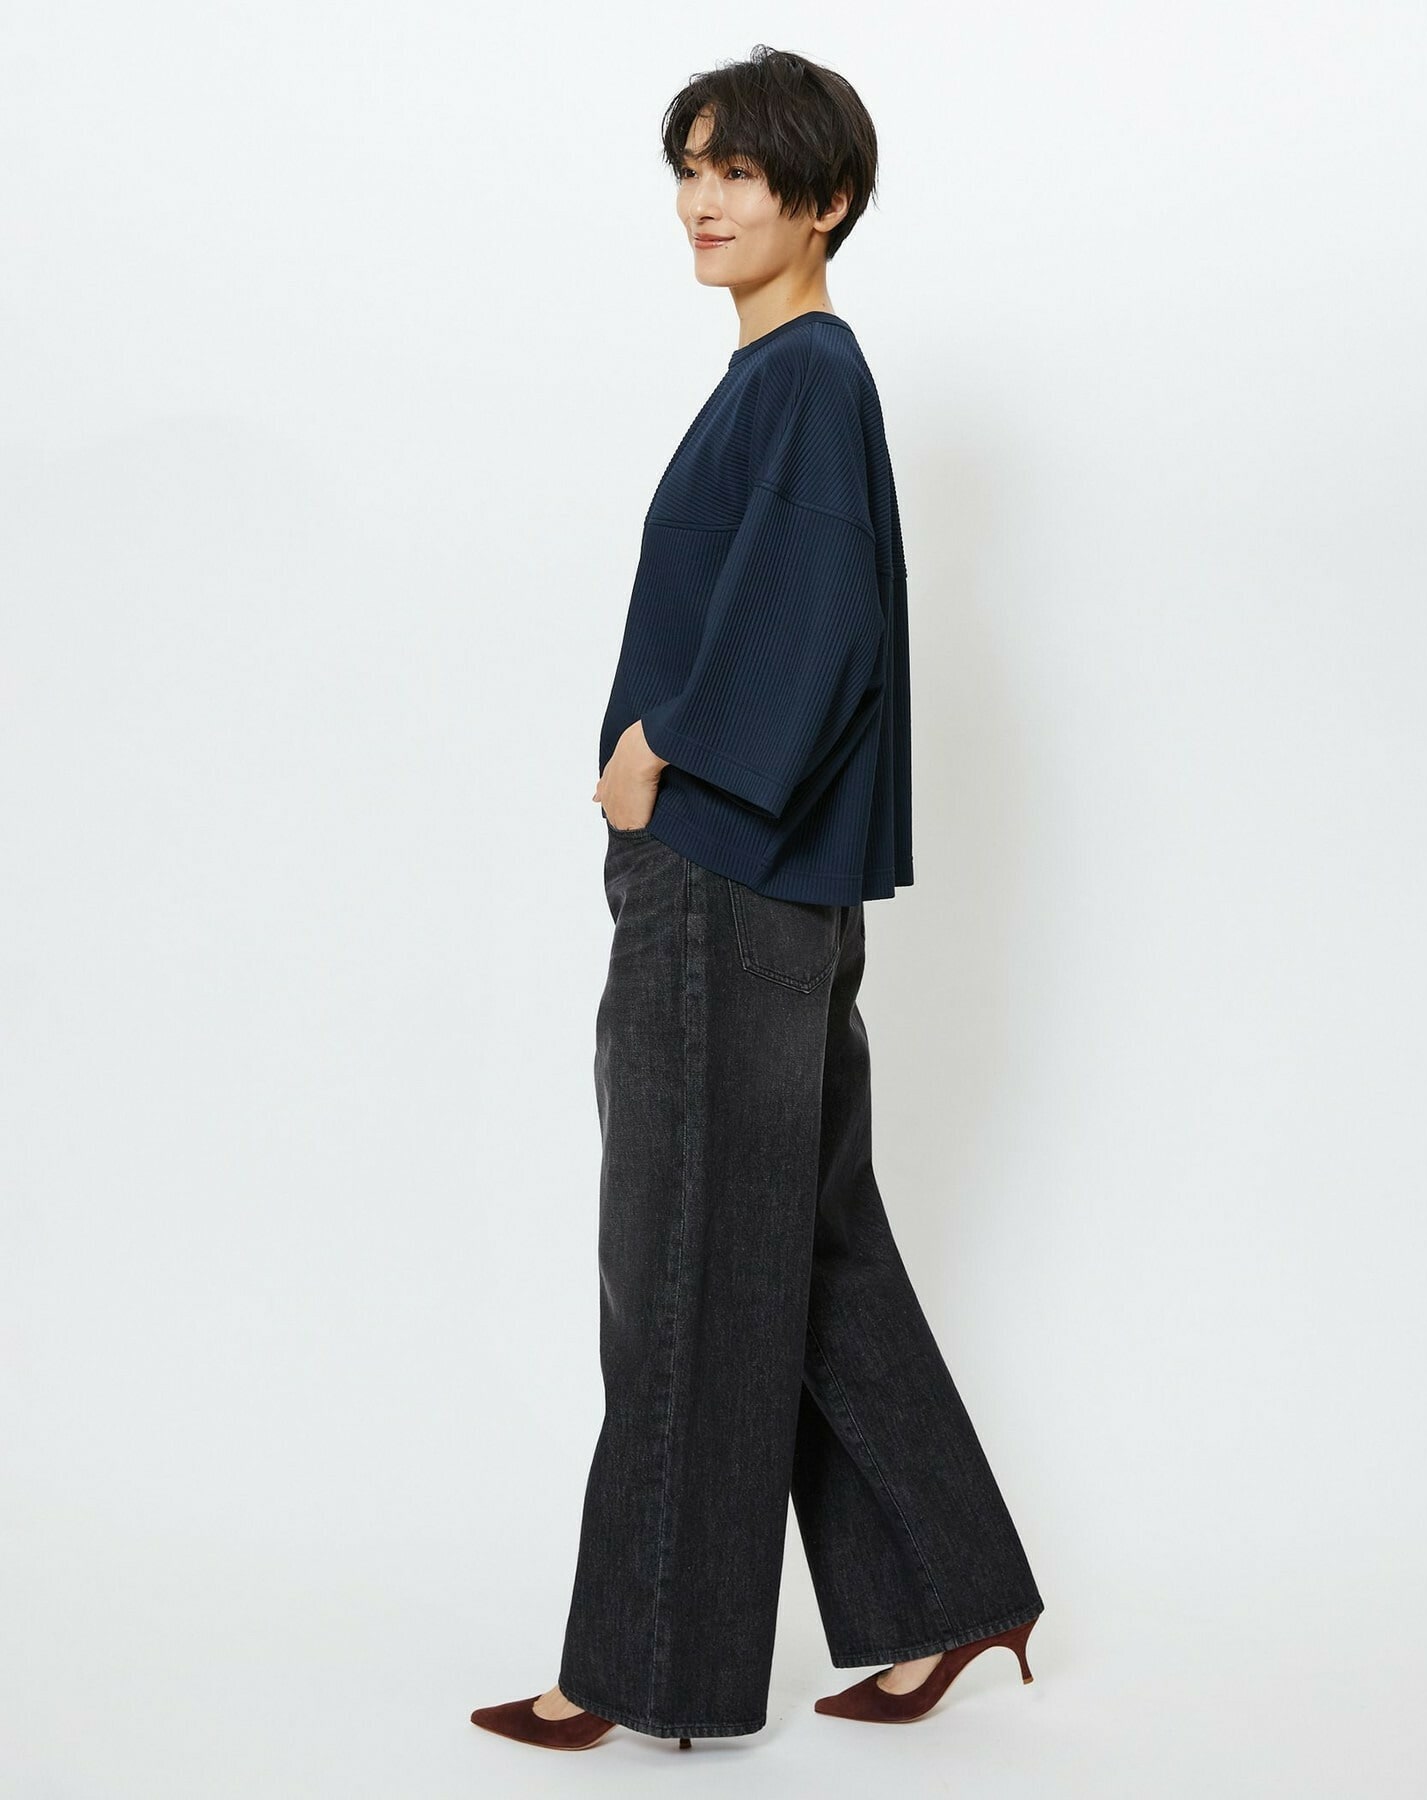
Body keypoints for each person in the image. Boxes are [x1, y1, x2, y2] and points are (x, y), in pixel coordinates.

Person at [470, 45, 1044, 1753]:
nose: (702, 201)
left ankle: (642, 1668)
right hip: (767, 890)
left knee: (682, 1260)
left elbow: (814, 626)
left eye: (738, 172)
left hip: (723, 881)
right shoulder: (787, 379)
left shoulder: (803, 376)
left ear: (828, 200)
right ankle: (950, 1586)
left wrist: (657, 754)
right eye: (690, 169)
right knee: (808, 1245)